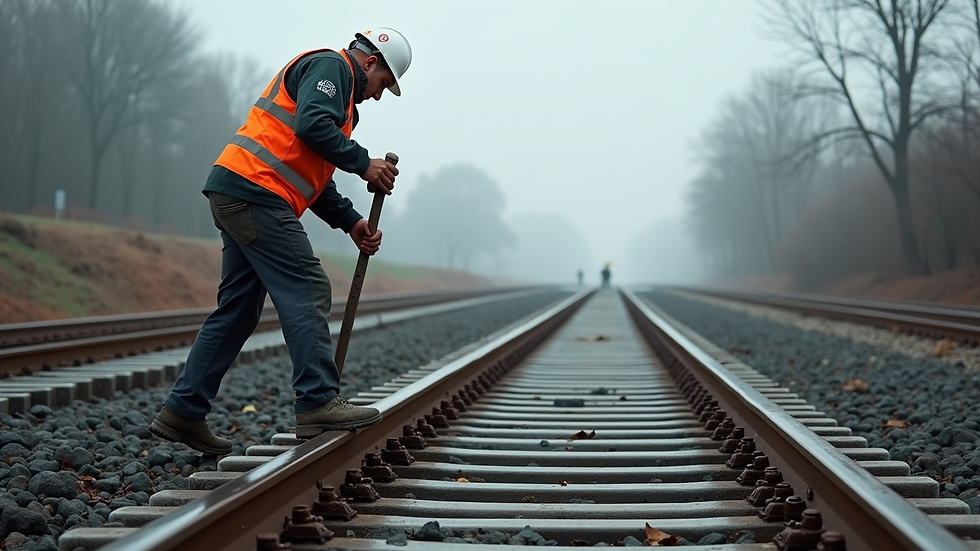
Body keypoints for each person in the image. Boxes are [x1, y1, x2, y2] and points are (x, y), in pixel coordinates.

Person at [149, 28, 412, 455]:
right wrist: (364, 163)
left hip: (238, 191)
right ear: (370, 63)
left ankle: (183, 410)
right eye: (384, 83)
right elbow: (310, 126)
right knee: (308, 286)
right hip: (256, 193)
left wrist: (350, 222)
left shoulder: (343, 106)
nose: (379, 96)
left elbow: (314, 174)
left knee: (238, 309)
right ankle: (317, 401)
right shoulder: (332, 68)